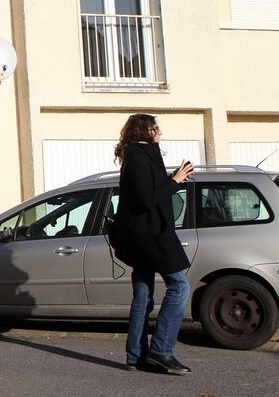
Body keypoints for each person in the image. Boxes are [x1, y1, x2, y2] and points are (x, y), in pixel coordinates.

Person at [113, 114, 195, 375]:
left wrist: (173, 178)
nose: (159, 131)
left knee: (143, 294)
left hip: (147, 234)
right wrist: (175, 181)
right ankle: (160, 350)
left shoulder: (145, 154)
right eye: (154, 127)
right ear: (143, 131)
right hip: (150, 236)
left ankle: (136, 356)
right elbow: (145, 200)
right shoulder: (137, 158)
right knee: (179, 286)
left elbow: (151, 190)